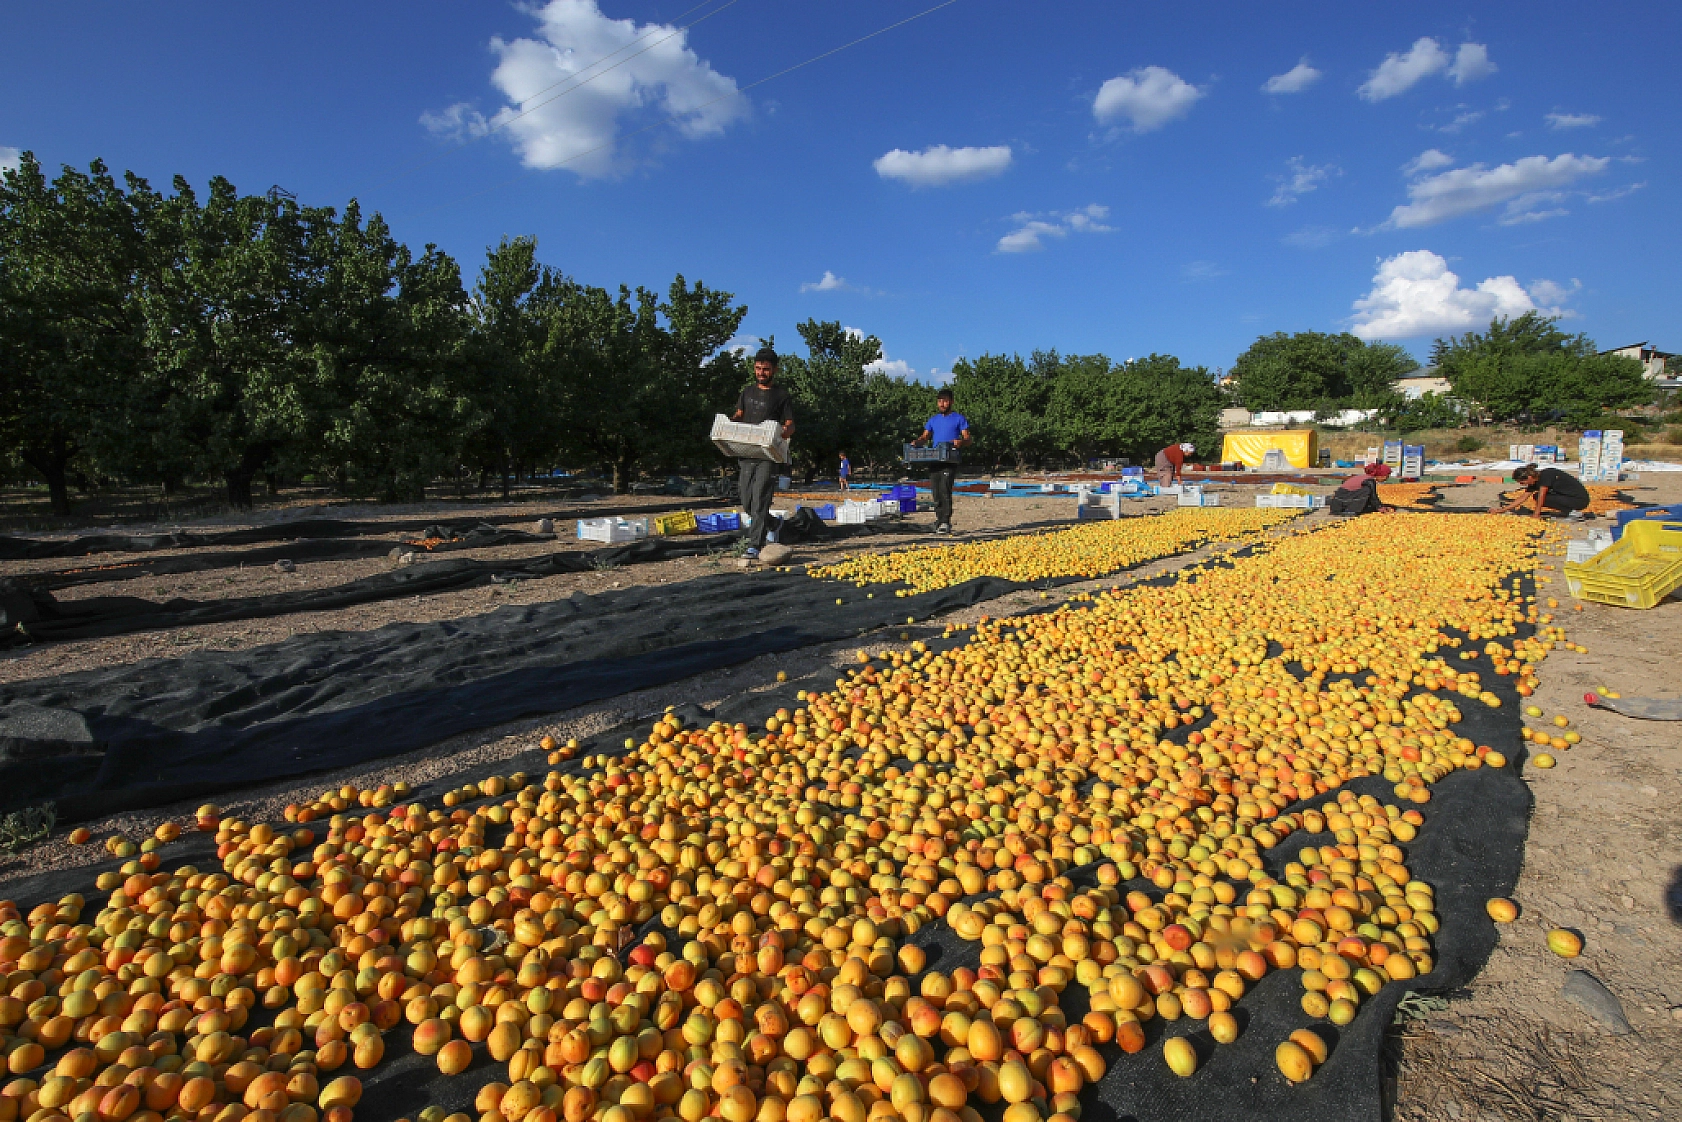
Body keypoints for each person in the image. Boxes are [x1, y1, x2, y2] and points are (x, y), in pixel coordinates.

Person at [730, 347, 795, 558]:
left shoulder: (781, 396)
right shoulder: (747, 392)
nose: (761, 373)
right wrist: (730, 425)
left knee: (760, 498)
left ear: (775, 370)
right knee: (746, 500)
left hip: (767, 455)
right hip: (747, 451)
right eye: (758, 368)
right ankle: (773, 523)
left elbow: (790, 424)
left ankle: (754, 544)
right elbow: (739, 414)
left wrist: (783, 433)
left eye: (765, 369)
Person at [911, 388, 970, 534]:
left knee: (945, 489)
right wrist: (917, 442)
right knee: (936, 491)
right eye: (940, 401)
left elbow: (968, 439)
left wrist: (960, 442)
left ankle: (945, 521)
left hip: (950, 459)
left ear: (951, 402)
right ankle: (939, 519)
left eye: (945, 401)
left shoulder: (959, 418)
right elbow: (925, 437)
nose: (942, 404)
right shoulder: (933, 420)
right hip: (935, 458)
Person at [1490, 463, 1591, 520]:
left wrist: (1536, 514)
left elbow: (1542, 495)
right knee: (1536, 496)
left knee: (1538, 496)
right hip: (1568, 498)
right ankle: (1570, 512)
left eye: (1522, 482)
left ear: (1529, 477)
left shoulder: (1546, 475)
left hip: (1579, 500)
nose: (1522, 484)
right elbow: (1522, 498)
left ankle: (1574, 513)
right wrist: (1502, 510)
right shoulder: (1534, 482)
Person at [1327, 462, 1394, 516]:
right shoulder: (1369, 481)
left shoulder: (1364, 477)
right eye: (1387, 476)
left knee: (1368, 494)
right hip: (1342, 500)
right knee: (1367, 490)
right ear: (1381, 475)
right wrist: (1380, 507)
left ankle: (1350, 509)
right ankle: (1350, 510)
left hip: (1338, 502)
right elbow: (1373, 496)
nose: (1386, 479)